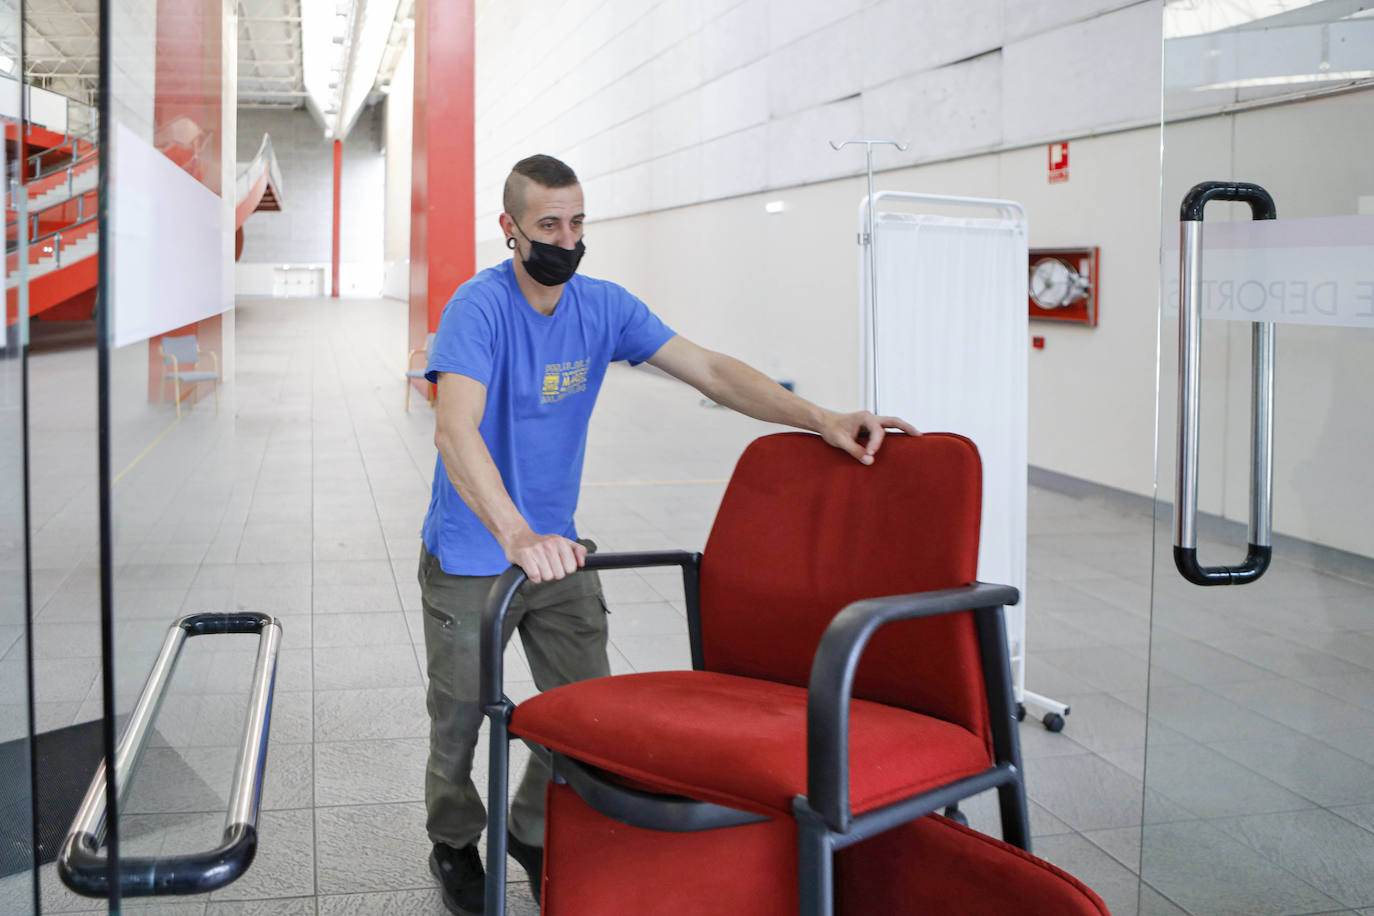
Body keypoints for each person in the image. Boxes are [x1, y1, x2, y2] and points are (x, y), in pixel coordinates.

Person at [419, 154, 916, 916]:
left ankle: (528, 822)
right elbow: (454, 432)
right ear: (509, 229)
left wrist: (823, 417)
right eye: (548, 223)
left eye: (578, 221)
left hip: (558, 550)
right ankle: (454, 839)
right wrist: (515, 534)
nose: (567, 237)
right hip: (476, 552)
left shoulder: (604, 307)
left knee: (585, 707)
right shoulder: (478, 309)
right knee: (459, 716)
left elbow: (711, 371)